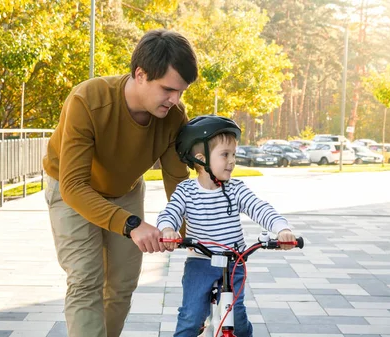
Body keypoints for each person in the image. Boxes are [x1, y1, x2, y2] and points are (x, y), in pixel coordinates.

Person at [42, 29, 198, 337]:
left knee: (122, 283)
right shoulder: (87, 100)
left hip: (124, 189)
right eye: (167, 89)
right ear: (140, 74)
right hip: (71, 188)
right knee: (86, 278)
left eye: (181, 91)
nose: (175, 100)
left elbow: (177, 180)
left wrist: (185, 230)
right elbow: (73, 186)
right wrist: (132, 225)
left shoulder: (174, 116)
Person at [157, 115, 297, 337]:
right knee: (190, 318)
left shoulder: (236, 189)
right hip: (200, 262)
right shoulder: (186, 191)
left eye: (234, 154)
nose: (232, 160)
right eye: (225, 155)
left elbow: (259, 207)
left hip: (234, 263)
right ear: (201, 159)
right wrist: (167, 229)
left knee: (237, 317)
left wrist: (282, 229)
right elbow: (171, 212)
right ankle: (199, 321)